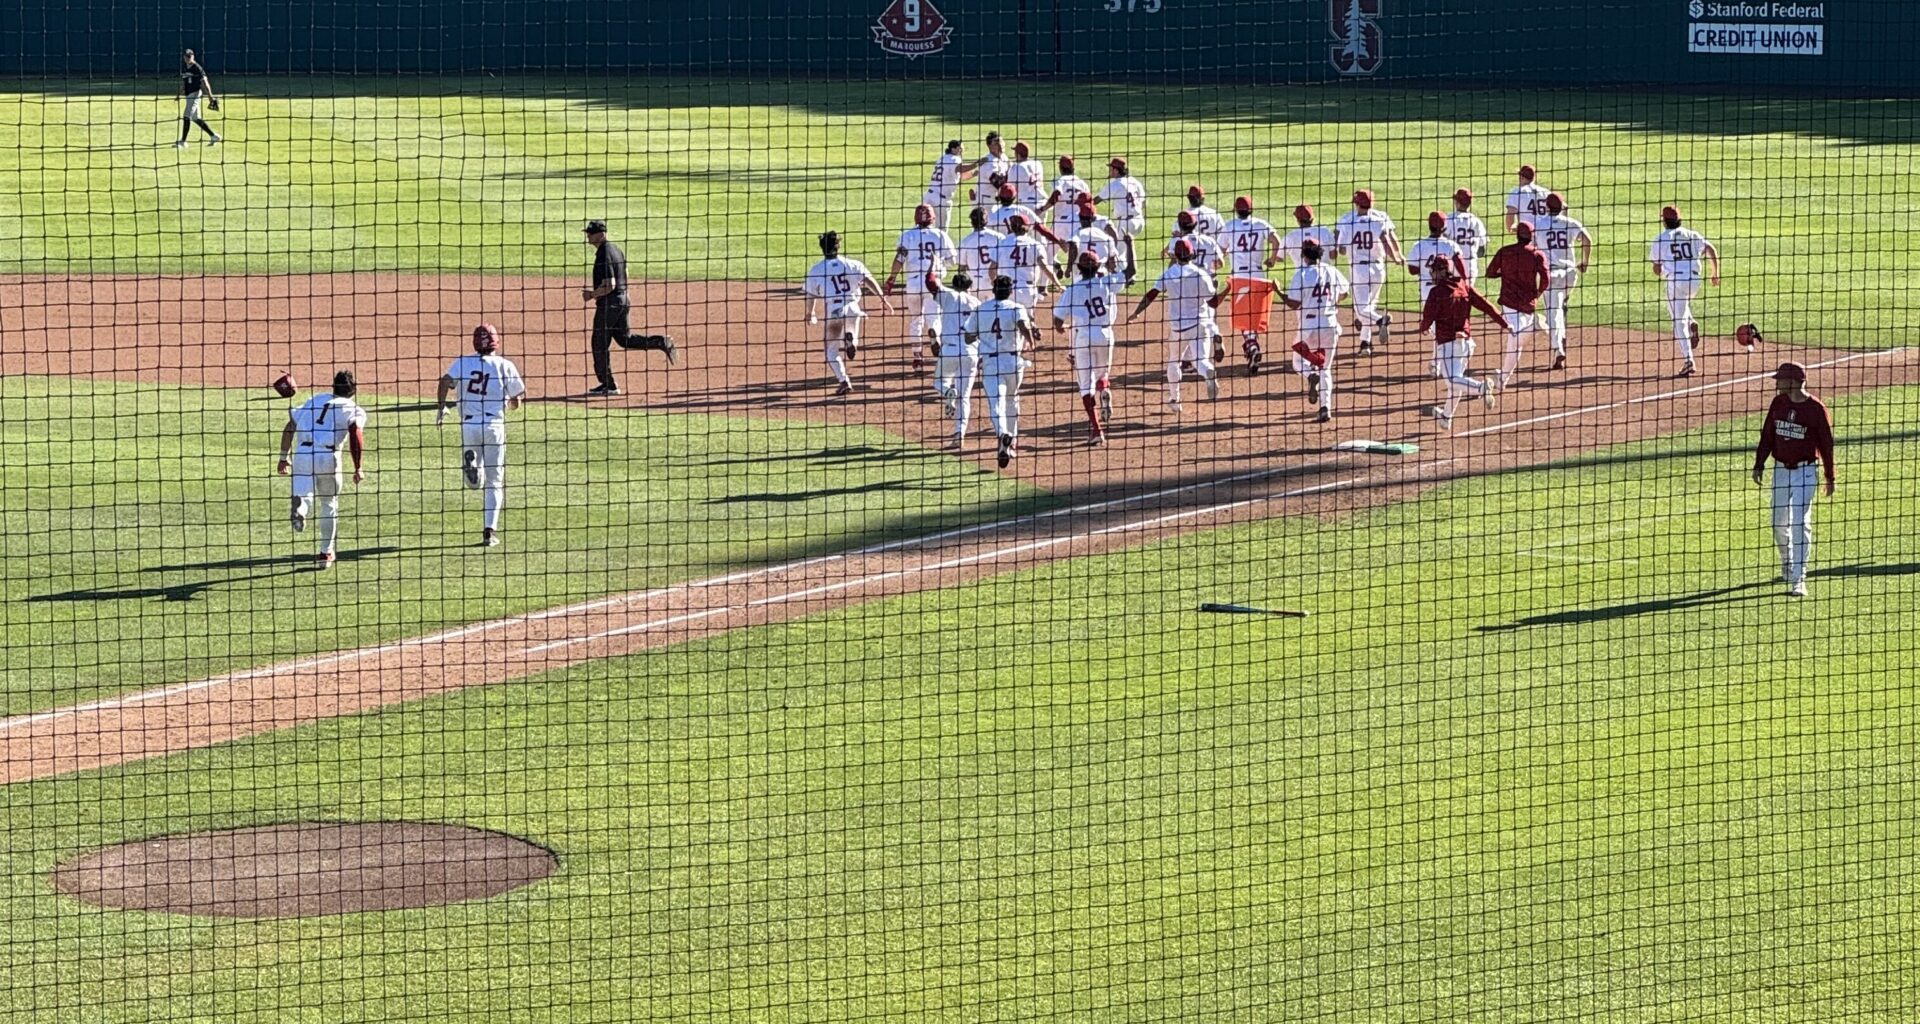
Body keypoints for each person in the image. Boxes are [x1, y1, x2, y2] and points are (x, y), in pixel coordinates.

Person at [437, 323, 527, 548]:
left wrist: (441, 407)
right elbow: (517, 400)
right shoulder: (505, 365)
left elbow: (445, 381)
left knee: (476, 483)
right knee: (495, 482)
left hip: (469, 426)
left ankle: (472, 467)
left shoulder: (463, 362)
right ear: (496, 341)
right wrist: (508, 401)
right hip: (494, 426)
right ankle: (489, 532)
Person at [1752, 361, 1836, 598]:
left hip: (1806, 472)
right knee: (1778, 523)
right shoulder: (1779, 403)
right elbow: (1768, 433)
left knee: (1801, 522)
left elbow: (1826, 446)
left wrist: (1830, 476)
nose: (1777, 383)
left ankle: (1799, 577)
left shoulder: (1816, 409)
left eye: (1780, 379)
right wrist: (1759, 464)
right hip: (1780, 471)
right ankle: (1787, 561)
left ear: (1793, 381)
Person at [276, 370, 366, 569]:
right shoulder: (353, 408)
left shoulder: (314, 400)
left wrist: (284, 457)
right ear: (353, 390)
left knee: (303, 495)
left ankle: (300, 509)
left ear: (333, 387)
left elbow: (290, 425)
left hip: (303, 454)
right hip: (328, 457)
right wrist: (358, 467)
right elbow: (355, 434)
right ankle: (325, 553)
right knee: (329, 503)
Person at [580, 220, 676, 395]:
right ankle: (661, 341)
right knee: (625, 339)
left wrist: (592, 295)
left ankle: (609, 385)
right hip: (624, 300)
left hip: (611, 304)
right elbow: (626, 273)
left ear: (601, 234)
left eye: (590, 233)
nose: (588, 236)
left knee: (599, 343)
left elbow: (610, 284)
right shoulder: (616, 250)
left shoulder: (604, 253)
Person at [1128, 239, 1224, 412]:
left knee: (1174, 361)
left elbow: (1151, 294)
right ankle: (1208, 372)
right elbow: (1214, 303)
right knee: (1200, 361)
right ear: (1192, 254)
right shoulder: (1200, 274)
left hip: (1178, 327)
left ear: (1175, 255)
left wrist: (1137, 311)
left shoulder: (1169, 273)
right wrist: (1227, 290)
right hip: (1200, 324)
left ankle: (1175, 399)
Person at [1415, 257, 1506, 430]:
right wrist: (1504, 323)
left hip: (1448, 344)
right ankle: (1446, 417)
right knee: (1457, 381)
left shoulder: (1436, 292)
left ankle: (1481, 388)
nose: (1432, 274)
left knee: (1452, 381)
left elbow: (1427, 317)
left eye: (1434, 270)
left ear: (1442, 271)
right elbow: (1486, 306)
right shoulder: (1464, 286)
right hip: (1466, 344)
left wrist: (1424, 328)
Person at [802, 230, 890, 395]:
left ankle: (844, 381)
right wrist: (882, 298)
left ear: (822, 248)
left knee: (831, 351)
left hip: (835, 311)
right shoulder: (853, 264)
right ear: (838, 246)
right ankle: (852, 341)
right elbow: (869, 280)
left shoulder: (816, 269)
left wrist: (810, 312)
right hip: (854, 308)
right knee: (851, 328)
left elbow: (811, 295)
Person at [964, 275, 1039, 468]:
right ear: (1011, 291)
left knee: (996, 403)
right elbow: (1023, 326)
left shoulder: (981, 309)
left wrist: (983, 333)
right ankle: (1011, 443)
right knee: (1012, 400)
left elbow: (968, 338)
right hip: (1014, 362)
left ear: (993, 289)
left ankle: (1002, 434)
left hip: (991, 363)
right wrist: (1030, 341)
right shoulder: (1016, 308)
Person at [1052, 251, 1127, 445]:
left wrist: (1062, 329)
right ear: (1098, 267)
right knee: (1103, 374)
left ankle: (1096, 430)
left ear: (1079, 268)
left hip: (1083, 337)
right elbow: (1131, 272)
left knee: (1085, 386)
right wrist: (1128, 244)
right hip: (1106, 334)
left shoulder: (1072, 290)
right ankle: (1104, 389)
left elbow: (1057, 320)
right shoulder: (1107, 282)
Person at [1281, 238, 1351, 422]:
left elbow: (1294, 304)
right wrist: (1333, 301)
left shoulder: (1301, 274)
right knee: (1325, 368)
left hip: (1308, 328)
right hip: (1329, 324)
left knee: (1297, 363)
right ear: (1321, 253)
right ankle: (1325, 408)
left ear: (1303, 254)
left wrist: (1278, 292)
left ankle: (1309, 374)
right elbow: (1345, 292)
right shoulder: (1332, 271)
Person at [1651, 204, 1723, 378]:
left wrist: (1661, 271)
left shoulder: (1661, 238)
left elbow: (1656, 268)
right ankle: (1691, 322)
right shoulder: (1692, 234)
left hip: (1676, 282)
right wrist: (1715, 274)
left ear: (1664, 221)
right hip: (1695, 281)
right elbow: (1710, 249)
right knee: (1680, 309)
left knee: (1677, 321)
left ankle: (1688, 360)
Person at [886, 203, 958, 371]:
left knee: (916, 319)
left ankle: (917, 357)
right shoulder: (940, 235)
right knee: (935, 316)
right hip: (933, 282)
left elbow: (899, 259)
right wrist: (941, 264)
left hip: (913, 283)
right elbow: (953, 260)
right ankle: (934, 333)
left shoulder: (907, 235)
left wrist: (891, 279)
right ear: (933, 217)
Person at [1216, 195, 1281, 374]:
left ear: (1236, 210)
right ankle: (1250, 346)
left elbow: (1219, 252)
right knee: (1253, 316)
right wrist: (1273, 259)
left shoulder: (1229, 226)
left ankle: (1252, 347)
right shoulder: (1261, 224)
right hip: (1259, 276)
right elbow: (1277, 241)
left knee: (1243, 319)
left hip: (1240, 278)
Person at [1333, 189, 1403, 355]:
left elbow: (1341, 250)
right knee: (1369, 306)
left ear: (1356, 204)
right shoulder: (1378, 220)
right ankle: (1365, 343)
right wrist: (1396, 257)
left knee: (1361, 308)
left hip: (1359, 269)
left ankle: (1380, 320)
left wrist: (1347, 247)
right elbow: (1387, 242)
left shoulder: (1349, 222)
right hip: (1379, 268)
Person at [1484, 222, 1552, 389]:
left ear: (1517, 235)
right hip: (1528, 302)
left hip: (1509, 301)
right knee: (1514, 341)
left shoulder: (1505, 251)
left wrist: (1505, 273)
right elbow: (1546, 279)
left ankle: (1533, 328)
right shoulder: (1537, 254)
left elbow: (1490, 272)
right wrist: (1538, 294)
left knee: (1514, 338)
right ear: (1531, 235)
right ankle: (1503, 379)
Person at [924, 270, 983, 448]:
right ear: (970, 286)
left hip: (949, 350)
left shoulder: (948, 295)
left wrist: (932, 265)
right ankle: (959, 434)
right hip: (970, 352)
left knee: (939, 383)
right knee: (964, 397)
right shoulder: (977, 303)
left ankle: (947, 391)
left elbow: (930, 282)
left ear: (954, 284)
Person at [1536, 192, 1594, 370]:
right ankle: (1562, 309)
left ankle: (1558, 349)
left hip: (1551, 276)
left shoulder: (1539, 224)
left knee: (1553, 315)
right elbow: (1587, 240)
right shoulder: (1570, 223)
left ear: (1546, 207)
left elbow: (1532, 249)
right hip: (1570, 275)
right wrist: (1585, 262)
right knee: (1558, 308)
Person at [1096, 157, 1148, 284]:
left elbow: (1097, 199)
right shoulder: (1134, 181)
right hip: (1139, 220)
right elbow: (1144, 201)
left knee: (1117, 250)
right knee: (1128, 246)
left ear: (1116, 170)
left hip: (1126, 222)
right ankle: (1131, 275)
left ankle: (1125, 277)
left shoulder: (1116, 184)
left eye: (1111, 168)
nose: (1109, 171)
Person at [1405, 211, 1467, 305]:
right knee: (1445, 317)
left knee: (1430, 316)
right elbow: (1460, 265)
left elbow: (1412, 270)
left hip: (1427, 289)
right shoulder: (1451, 245)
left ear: (1429, 225)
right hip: (1447, 288)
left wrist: (1426, 269)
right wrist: (1464, 281)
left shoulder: (1419, 245)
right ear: (1444, 227)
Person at [922, 139, 975, 232]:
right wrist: (976, 164)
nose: (962, 151)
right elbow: (960, 168)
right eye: (960, 148)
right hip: (941, 201)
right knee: (942, 232)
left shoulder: (942, 158)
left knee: (924, 228)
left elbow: (962, 176)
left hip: (929, 197)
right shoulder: (954, 159)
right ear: (953, 149)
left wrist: (974, 174)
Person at [955, 207, 1005, 302]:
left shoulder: (966, 241)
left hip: (975, 283)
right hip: (994, 281)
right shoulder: (999, 237)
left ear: (972, 222)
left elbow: (962, 267)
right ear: (986, 220)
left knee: (976, 313)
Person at [175, 49, 222, 148]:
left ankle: (183, 142)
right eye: (187, 56)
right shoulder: (184, 68)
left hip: (195, 94)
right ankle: (213, 136)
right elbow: (184, 82)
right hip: (188, 95)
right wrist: (179, 94)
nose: (188, 58)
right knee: (196, 118)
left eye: (190, 56)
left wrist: (210, 97)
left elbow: (205, 83)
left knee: (186, 116)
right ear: (184, 57)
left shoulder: (197, 68)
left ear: (193, 56)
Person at [1445, 188, 1490, 284]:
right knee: (1467, 297)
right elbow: (1482, 250)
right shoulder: (1476, 221)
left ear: (1457, 203)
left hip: (1451, 267)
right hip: (1470, 268)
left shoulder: (1449, 219)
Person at [1279, 204, 1336, 270]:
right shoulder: (1325, 231)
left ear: (1297, 220)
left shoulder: (1289, 237)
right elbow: (1333, 255)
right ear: (1312, 218)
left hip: (1302, 277)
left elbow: (1279, 258)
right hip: (1325, 276)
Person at [1505, 164, 1551, 233]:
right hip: (1545, 233)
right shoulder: (1546, 192)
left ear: (1521, 177)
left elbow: (1510, 213)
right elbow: (1562, 207)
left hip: (1527, 233)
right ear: (1534, 177)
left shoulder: (1517, 192)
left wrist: (1511, 229)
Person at [1007, 141, 1047, 208]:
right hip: (1042, 203)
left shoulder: (1015, 168)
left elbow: (1011, 189)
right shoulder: (1038, 164)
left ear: (1018, 154)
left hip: (1026, 205)